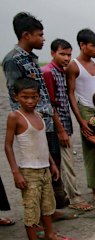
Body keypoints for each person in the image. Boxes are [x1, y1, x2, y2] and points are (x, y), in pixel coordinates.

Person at [4, 78, 77, 240]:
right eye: (25, 97)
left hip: (44, 168)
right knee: (31, 211)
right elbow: (8, 146)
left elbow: (42, 143)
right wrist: (15, 172)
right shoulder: (15, 117)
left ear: (39, 97)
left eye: (34, 97)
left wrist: (52, 163)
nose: (30, 101)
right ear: (16, 97)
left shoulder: (39, 116)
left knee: (47, 206)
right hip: (28, 171)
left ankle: (50, 236)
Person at [3, 12, 69, 209]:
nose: (43, 38)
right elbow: (18, 98)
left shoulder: (31, 58)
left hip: (45, 124)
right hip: (32, 128)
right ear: (26, 35)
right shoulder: (13, 60)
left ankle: (51, 211)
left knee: (51, 167)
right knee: (36, 171)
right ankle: (39, 219)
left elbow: (45, 99)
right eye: (39, 35)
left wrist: (57, 126)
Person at [42, 38, 94, 211]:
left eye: (68, 55)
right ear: (52, 53)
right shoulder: (49, 72)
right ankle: (75, 199)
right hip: (58, 126)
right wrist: (61, 130)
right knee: (68, 163)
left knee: (62, 163)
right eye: (62, 54)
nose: (66, 58)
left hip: (64, 124)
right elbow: (50, 105)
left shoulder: (61, 71)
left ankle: (64, 197)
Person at [66, 28, 95, 203]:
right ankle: (94, 188)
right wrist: (80, 120)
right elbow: (71, 94)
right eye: (93, 46)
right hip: (86, 109)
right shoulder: (74, 66)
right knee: (90, 151)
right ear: (82, 45)